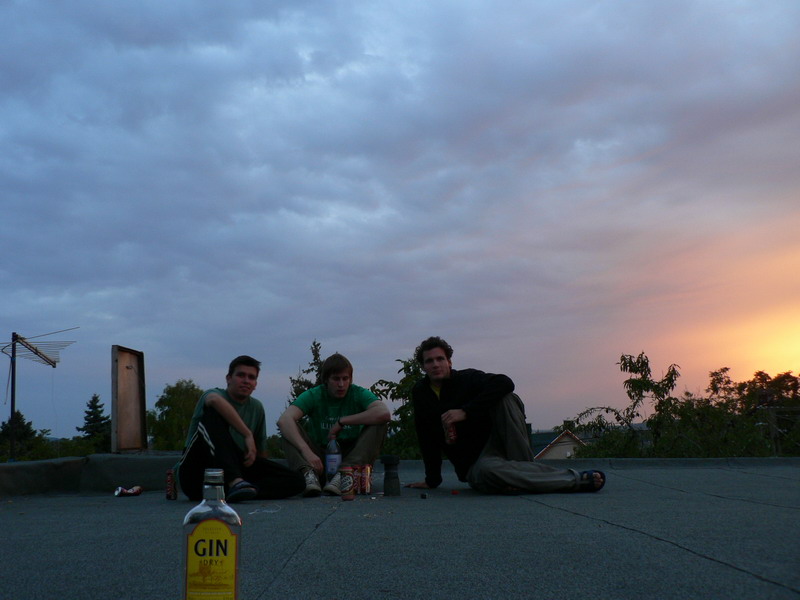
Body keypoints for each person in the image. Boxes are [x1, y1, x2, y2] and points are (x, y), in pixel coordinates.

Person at [407, 336, 605, 494]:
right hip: (478, 463)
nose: (435, 364)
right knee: (488, 472)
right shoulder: (421, 393)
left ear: (449, 362)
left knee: (506, 397)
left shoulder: (467, 379)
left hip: (503, 443)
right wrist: (432, 480)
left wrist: (465, 412)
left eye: (440, 359)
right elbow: (426, 437)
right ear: (423, 367)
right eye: (429, 361)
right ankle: (575, 480)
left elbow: (505, 382)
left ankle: (521, 472)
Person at [177, 355, 305, 502]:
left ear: (255, 384)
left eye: (251, 377)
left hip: (236, 468)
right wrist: (247, 434)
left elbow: (261, 453)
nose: (246, 381)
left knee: (297, 481)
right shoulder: (214, 395)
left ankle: (241, 490)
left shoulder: (256, 407)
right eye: (241, 375)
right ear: (228, 378)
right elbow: (214, 400)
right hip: (197, 474)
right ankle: (235, 482)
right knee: (213, 413)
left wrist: (265, 471)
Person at [277, 353, 390, 496]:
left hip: (351, 455)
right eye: (336, 379)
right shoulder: (314, 395)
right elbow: (284, 420)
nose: (341, 384)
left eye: (345, 379)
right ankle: (308, 475)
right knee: (288, 430)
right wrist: (306, 451)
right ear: (326, 379)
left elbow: (383, 413)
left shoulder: (357, 393)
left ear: (350, 379)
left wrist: (342, 421)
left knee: (379, 423)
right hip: (319, 458)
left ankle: (344, 476)